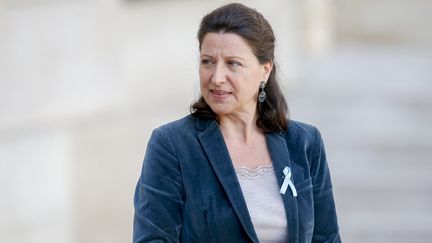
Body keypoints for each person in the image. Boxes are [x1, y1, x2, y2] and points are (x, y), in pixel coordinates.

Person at [133, 3, 341, 243]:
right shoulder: (172, 145)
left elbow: (327, 238)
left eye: (233, 63)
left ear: (265, 70)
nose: (217, 77)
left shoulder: (304, 141)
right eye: (207, 61)